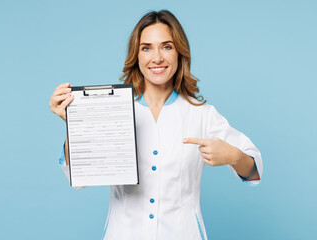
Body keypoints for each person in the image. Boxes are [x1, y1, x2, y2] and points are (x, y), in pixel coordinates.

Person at [49, 10, 263, 240]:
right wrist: (73, 124)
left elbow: (253, 172)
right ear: (136, 55)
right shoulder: (113, 108)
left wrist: (232, 155)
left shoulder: (202, 114)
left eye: (167, 46)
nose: (157, 58)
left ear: (180, 53)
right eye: (147, 48)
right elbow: (80, 178)